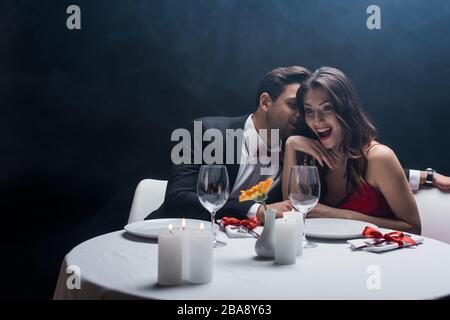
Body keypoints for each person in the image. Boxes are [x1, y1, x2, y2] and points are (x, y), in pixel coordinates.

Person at [148, 66, 449, 224]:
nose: (304, 117)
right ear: (266, 101)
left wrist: (426, 176)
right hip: (176, 236)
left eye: (307, 108)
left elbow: (357, 161)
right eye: (296, 106)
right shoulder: (207, 132)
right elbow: (178, 199)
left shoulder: (298, 147)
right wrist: (255, 211)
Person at [282, 67, 422, 233]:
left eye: (327, 108)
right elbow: (294, 210)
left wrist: (339, 215)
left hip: (377, 257)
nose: (317, 120)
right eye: (309, 111)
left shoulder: (379, 158)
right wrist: (290, 146)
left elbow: (413, 227)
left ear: (345, 109)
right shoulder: (309, 154)